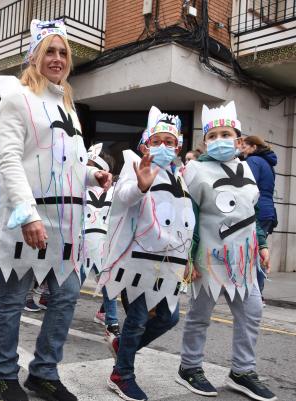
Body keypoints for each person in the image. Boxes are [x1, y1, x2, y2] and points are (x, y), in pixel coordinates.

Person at [0, 19, 112, 401]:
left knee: (66, 297)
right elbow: (8, 159)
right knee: (11, 300)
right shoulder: (17, 99)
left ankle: (44, 372)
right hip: (32, 220)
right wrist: (27, 214)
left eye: (63, 53)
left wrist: (93, 176)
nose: (57, 59)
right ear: (35, 57)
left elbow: (63, 164)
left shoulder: (69, 106)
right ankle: (4, 374)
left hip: (69, 225)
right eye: (50, 52)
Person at [177, 101, 276, 401]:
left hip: (244, 261)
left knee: (252, 313)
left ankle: (242, 371)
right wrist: (187, 258)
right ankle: (189, 366)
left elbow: (254, 211)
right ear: (205, 141)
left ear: (238, 138)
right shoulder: (195, 170)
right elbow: (188, 216)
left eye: (226, 134)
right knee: (200, 315)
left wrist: (263, 245)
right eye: (214, 135)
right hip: (208, 259)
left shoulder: (247, 168)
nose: (220, 140)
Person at [98, 107, 194, 401]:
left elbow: (184, 220)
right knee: (138, 319)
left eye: (169, 141)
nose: (163, 147)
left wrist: (188, 258)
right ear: (145, 144)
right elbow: (123, 198)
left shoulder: (180, 176)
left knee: (169, 317)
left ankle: (123, 346)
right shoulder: (135, 164)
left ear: (177, 147)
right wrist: (140, 186)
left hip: (169, 265)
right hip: (138, 261)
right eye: (157, 141)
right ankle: (122, 374)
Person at [84, 144, 119, 340]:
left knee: (108, 280)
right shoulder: (78, 188)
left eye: (92, 165)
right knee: (72, 282)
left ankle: (111, 321)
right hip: (81, 242)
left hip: (104, 242)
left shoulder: (115, 191)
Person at [240, 135, 278, 299]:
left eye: (244, 146)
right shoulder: (268, 163)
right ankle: (256, 291)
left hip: (258, 210)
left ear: (254, 147)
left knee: (254, 252)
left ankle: (256, 293)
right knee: (258, 250)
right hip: (268, 211)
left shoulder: (253, 161)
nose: (242, 149)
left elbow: (247, 185)